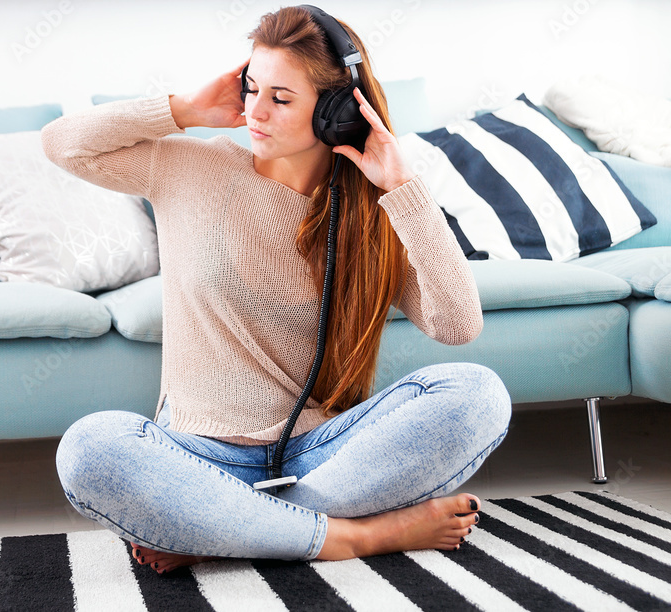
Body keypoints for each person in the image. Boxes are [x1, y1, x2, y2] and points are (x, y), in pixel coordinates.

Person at [44, 5, 511, 575]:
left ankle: (223, 531)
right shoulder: (189, 168)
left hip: (322, 457)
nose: (254, 112)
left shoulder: (373, 215)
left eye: (281, 98)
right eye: (251, 88)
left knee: (477, 395)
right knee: (90, 447)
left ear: (337, 113)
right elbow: (62, 145)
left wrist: (403, 187)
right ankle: (354, 538)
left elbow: (457, 326)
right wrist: (184, 110)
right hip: (196, 456)